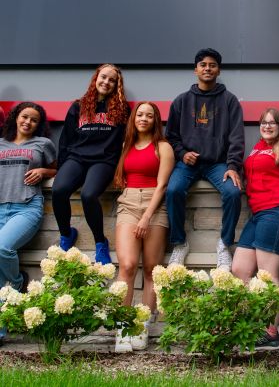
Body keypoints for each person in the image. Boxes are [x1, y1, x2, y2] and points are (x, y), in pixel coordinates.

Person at [232, 108, 279, 351]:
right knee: (239, 270)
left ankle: (272, 332)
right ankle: (250, 326)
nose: (267, 126)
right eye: (263, 123)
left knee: (267, 276)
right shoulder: (256, 148)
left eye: (272, 123)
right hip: (257, 214)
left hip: (278, 212)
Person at [166, 48, 244, 269]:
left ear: (218, 70)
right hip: (187, 164)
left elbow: (236, 137)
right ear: (195, 70)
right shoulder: (181, 101)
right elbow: (170, 137)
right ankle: (179, 243)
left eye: (212, 65)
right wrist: (182, 153)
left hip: (217, 164)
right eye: (203, 65)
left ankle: (224, 244)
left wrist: (232, 166)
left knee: (233, 192)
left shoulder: (229, 101)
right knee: (172, 191)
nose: (207, 68)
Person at [52, 64, 129, 264]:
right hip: (76, 157)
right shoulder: (78, 106)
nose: (106, 82)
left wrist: (122, 169)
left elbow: (126, 141)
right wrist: (61, 169)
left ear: (116, 85)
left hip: (103, 160)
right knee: (59, 189)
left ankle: (100, 242)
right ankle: (66, 234)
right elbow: (65, 140)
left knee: (88, 194)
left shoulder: (122, 109)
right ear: (96, 79)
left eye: (112, 80)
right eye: (103, 77)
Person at [113, 102, 175, 352]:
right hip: (128, 203)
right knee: (127, 265)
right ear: (133, 118)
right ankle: (122, 327)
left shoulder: (163, 147)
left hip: (155, 205)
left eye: (150, 115)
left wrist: (147, 216)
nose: (144, 118)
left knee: (151, 268)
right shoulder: (125, 146)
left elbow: (162, 185)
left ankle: (142, 326)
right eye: (140, 114)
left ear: (156, 120)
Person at [0, 102, 56, 293]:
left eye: (34, 120)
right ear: (16, 117)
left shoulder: (43, 144)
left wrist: (43, 171)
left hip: (26, 208)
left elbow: (60, 169)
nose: (28, 122)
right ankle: (5, 320)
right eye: (24, 117)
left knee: (2, 248)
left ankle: (16, 281)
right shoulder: (0, 143)